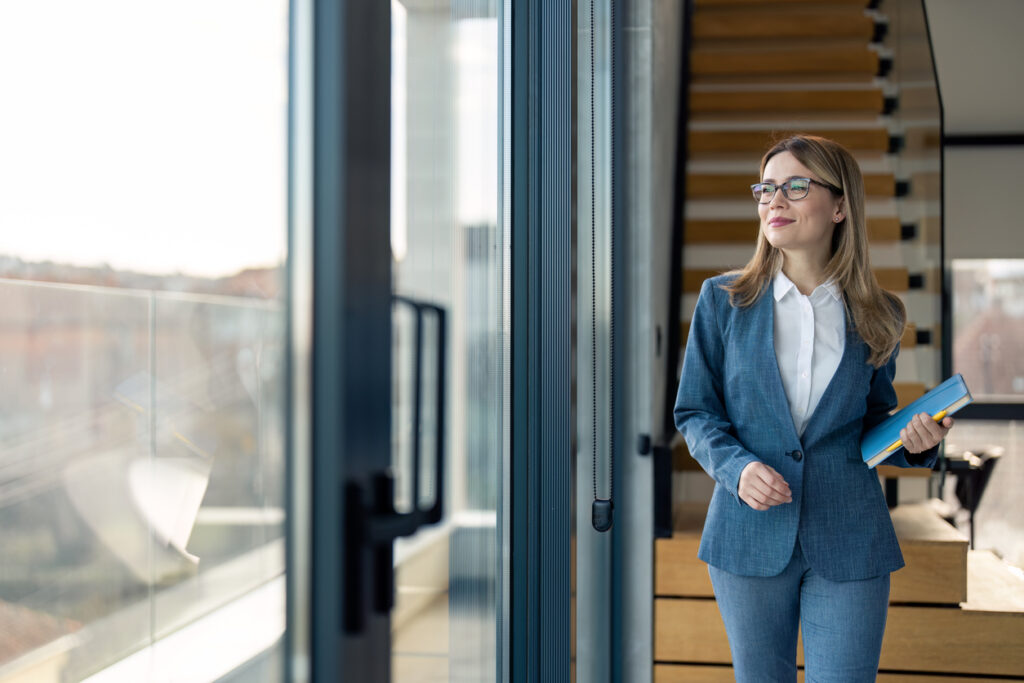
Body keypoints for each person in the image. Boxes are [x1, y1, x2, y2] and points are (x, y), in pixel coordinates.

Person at [673, 134, 953, 682]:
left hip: (850, 536)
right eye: (767, 188)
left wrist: (916, 442)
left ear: (841, 205)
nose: (774, 201)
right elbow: (695, 414)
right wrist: (738, 468)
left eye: (796, 186)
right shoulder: (723, 301)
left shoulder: (882, 313)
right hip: (748, 534)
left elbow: (874, 419)